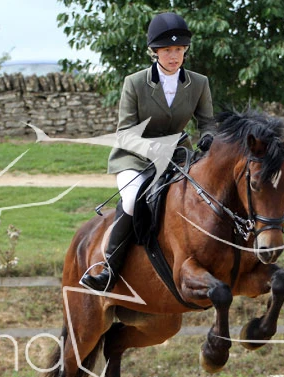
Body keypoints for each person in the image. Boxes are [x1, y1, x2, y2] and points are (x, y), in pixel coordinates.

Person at [80, 11, 215, 292]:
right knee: (131, 201)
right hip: (134, 158)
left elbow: (207, 122)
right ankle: (108, 270)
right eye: (167, 50)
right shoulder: (135, 82)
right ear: (155, 52)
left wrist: (208, 138)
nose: (174, 56)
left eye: (179, 49)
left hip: (178, 157)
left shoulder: (199, 83)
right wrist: (152, 147)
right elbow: (125, 131)